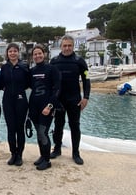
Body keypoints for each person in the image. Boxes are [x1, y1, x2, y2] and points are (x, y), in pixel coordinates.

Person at [49, 35, 91, 165]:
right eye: (64, 45)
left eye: (69, 45)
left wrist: (86, 97)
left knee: (75, 126)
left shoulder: (80, 61)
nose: (67, 48)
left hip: (74, 99)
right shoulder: (54, 61)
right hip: (59, 100)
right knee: (58, 125)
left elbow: (86, 79)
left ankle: (76, 153)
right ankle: (57, 149)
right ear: (61, 46)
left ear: (73, 46)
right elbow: (49, 81)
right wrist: (50, 99)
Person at [29, 45, 61, 170]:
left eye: (39, 53)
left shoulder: (52, 69)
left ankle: (47, 161)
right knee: (39, 133)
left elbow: (57, 89)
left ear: (44, 54)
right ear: (33, 56)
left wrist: (50, 106)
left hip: (47, 107)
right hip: (34, 107)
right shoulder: (32, 71)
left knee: (43, 133)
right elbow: (30, 87)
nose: (37, 56)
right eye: (35, 54)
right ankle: (42, 156)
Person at [0, 43, 30, 166]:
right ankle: (13, 153)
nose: (12, 53)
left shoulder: (24, 66)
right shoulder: (4, 67)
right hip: (7, 101)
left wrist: (19, 91)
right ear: (7, 53)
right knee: (11, 128)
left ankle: (20, 155)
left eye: (15, 51)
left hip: (21, 100)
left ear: (18, 52)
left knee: (20, 128)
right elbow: (1, 83)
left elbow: (28, 83)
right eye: (10, 51)